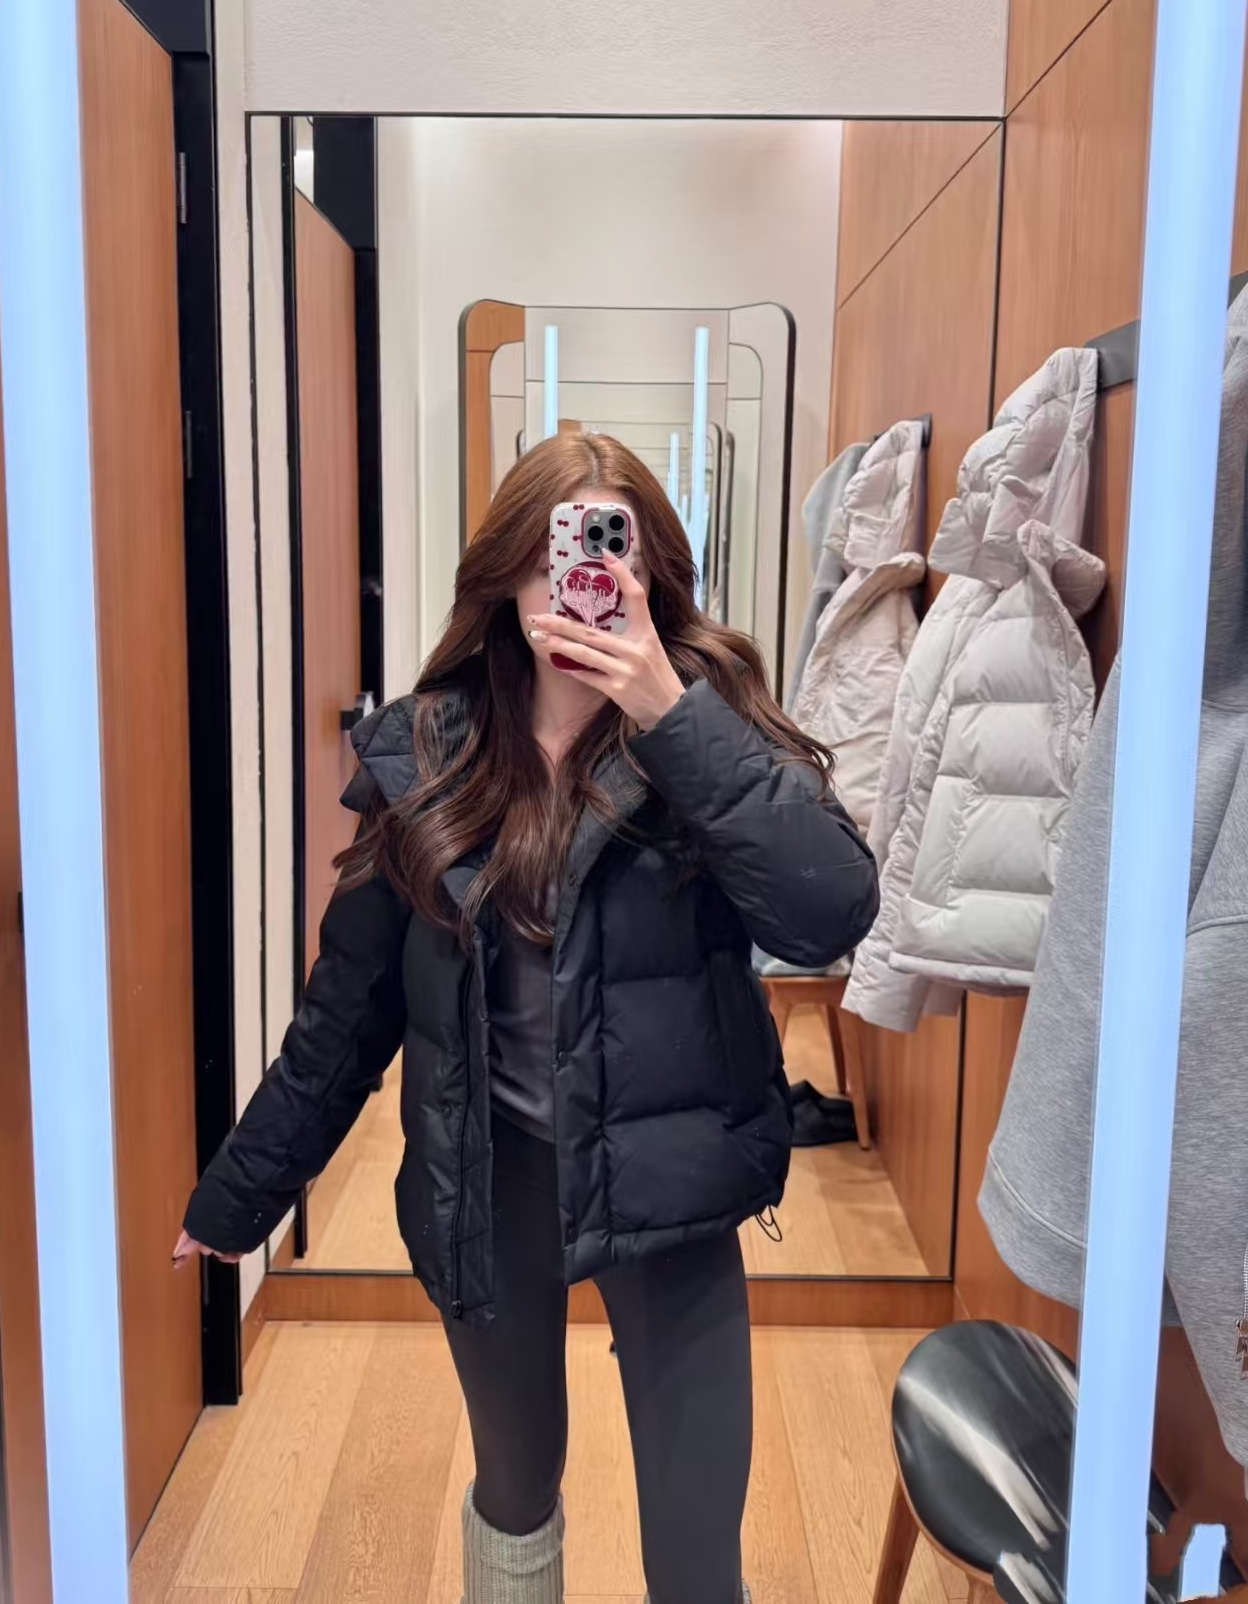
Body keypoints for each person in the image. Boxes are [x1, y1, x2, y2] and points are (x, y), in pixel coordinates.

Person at [176, 433, 879, 1604]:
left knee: (696, 1558)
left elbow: (828, 911)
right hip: (487, 1184)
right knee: (514, 1486)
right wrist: (240, 1192)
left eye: (611, 549)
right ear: (506, 570)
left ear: (649, 570)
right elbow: (347, 1011)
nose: (580, 578)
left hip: (668, 1183)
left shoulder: (708, 723)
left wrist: (664, 709)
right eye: (556, 552)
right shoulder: (426, 753)